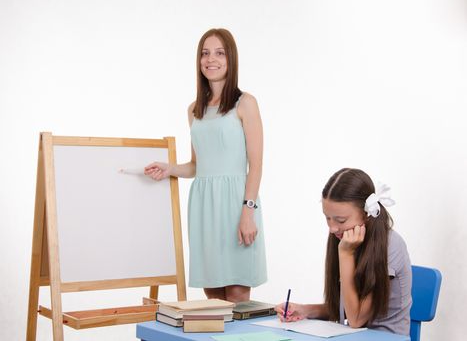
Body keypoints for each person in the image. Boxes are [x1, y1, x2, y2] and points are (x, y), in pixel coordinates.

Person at [144, 28, 267, 302]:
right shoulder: (194, 110)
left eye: (219, 53)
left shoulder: (245, 103)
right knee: (212, 302)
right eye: (205, 53)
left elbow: (256, 165)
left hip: (237, 205)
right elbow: (199, 165)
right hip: (204, 207)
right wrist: (171, 169)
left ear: (231, 59)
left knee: (236, 296)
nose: (211, 59)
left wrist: (248, 212)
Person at [275, 168, 412, 335]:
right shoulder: (344, 236)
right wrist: (305, 310)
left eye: (341, 220)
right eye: (327, 217)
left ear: (366, 213)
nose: (333, 228)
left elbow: (356, 319)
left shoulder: (391, 245)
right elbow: (347, 308)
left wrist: (346, 255)